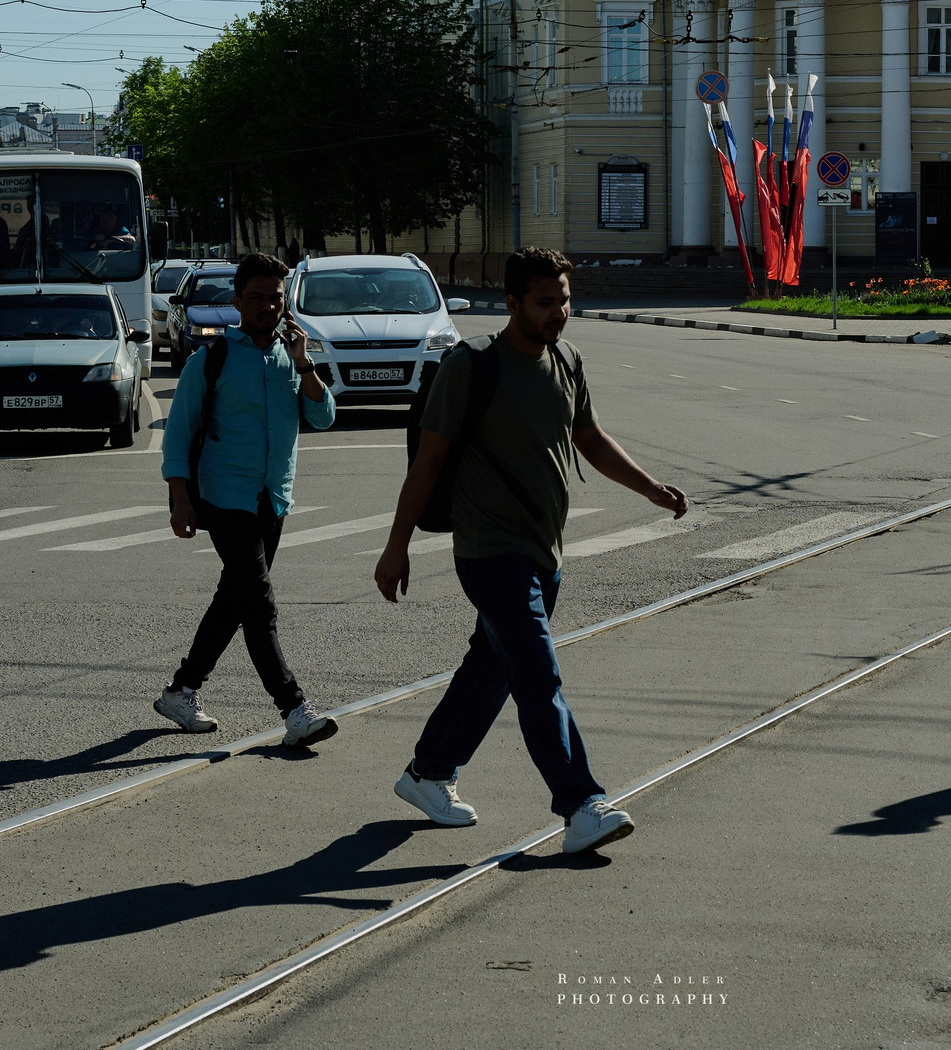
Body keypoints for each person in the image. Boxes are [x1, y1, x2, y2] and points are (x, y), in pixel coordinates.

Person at [374, 246, 689, 855]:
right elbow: (428, 461)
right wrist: (396, 547)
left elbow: (589, 436)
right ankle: (580, 804)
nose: (560, 313)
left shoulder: (567, 360)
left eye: (565, 300)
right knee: (538, 675)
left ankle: (428, 771)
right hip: (490, 552)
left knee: (492, 669)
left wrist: (648, 487)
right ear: (513, 303)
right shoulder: (473, 366)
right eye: (547, 303)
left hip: (545, 551)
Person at [153, 251, 340, 748]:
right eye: (255, 298)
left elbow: (323, 418)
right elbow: (179, 432)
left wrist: (304, 363)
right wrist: (180, 497)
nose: (266, 307)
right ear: (236, 301)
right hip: (225, 495)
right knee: (259, 605)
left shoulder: (290, 357)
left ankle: (181, 690)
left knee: (233, 599)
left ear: (286, 303)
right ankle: (294, 709)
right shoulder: (211, 359)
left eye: (275, 298)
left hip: (273, 497)